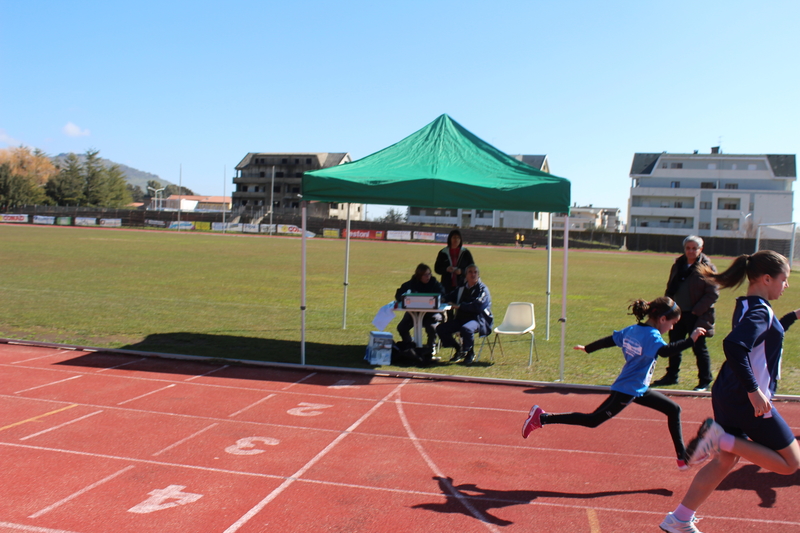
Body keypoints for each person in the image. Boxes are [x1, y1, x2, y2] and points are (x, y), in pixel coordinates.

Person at [659, 250, 800, 533]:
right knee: (790, 463)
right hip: (745, 398)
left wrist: (795, 316)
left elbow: (768, 333)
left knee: (727, 460)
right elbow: (735, 345)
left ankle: (679, 519)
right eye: (784, 280)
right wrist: (754, 391)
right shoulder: (760, 311)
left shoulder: (750, 305)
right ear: (767, 278)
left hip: (728, 391)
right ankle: (720, 438)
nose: (786, 285)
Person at [523, 297, 706, 470]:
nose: (672, 328)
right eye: (672, 323)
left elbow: (610, 340)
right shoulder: (652, 336)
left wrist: (588, 348)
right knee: (593, 420)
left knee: (674, 409)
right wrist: (691, 340)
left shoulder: (633, 330)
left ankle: (682, 458)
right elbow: (666, 352)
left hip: (638, 388)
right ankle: (541, 418)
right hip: (628, 389)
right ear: (662, 318)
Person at [652, 236, 719, 391]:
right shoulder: (678, 264)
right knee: (674, 345)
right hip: (676, 313)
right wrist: (665, 306)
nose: (691, 251)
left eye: (694, 248)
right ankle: (672, 376)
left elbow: (713, 294)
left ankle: (704, 380)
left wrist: (697, 311)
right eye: (688, 248)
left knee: (699, 347)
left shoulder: (707, 267)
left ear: (700, 249)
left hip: (698, 314)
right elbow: (670, 288)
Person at [437, 264, 493, 365]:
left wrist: (459, 306)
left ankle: (470, 354)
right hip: (461, 319)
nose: (473, 274)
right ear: (466, 275)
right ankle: (459, 349)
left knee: (466, 329)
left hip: (478, 320)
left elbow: (478, 306)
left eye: (475, 272)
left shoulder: (483, 289)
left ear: (478, 275)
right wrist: (443, 299)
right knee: (441, 328)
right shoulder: (462, 288)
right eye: (470, 272)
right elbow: (451, 296)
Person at [395, 263, 444, 350]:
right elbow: (399, 294)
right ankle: (409, 345)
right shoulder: (412, 283)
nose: (428, 277)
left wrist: (440, 299)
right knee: (402, 327)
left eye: (429, 274)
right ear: (419, 275)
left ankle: (430, 348)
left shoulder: (434, 283)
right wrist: (402, 298)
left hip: (431, 314)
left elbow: (443, 294)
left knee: (432, 328)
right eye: (425, 275)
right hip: (414, 313)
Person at [434, 229, 474, 294]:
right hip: (446, 285)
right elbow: (437, 269)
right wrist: (446, 269)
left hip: (462, 285)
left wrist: (462, 271)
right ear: (450, 239)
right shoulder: (443, 253)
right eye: (454, 237)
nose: (456, 240)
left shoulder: (466, 253)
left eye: (458, 238)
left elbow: (472, 268)